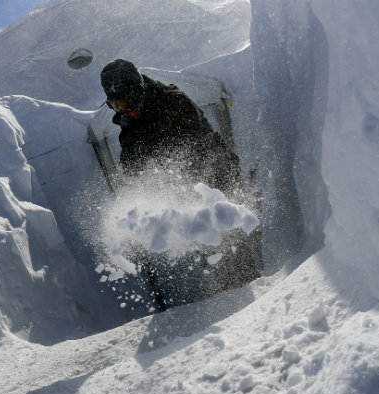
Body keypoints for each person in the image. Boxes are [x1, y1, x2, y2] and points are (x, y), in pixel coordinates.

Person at [100, 58, 260, 309]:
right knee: (211, 250)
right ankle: (234, 301)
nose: (126, 109)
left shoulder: (173, 102)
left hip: (213, 184)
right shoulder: (129, 128)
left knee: (225, 244)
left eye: (128, 100)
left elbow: (201, 150)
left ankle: (249, 301)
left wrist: (187, 189)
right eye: (117, 104)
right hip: (186, 195)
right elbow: (134, 172)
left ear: (140, 88)